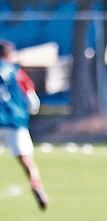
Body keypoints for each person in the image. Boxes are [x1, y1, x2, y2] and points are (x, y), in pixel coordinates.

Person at [0, 40, 48, 210]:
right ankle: (37, 186)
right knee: (26, 160)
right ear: (9, 55)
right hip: (16, 121)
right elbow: (33, 102)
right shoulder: (17, 73)